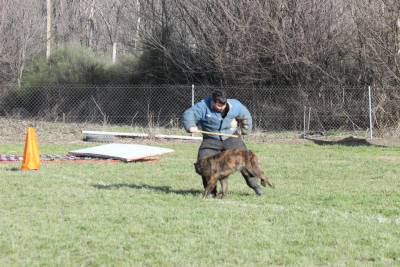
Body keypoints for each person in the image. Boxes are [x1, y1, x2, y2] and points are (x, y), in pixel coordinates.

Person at [182, 90, 264, 197]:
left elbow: (245, 115)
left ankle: (255, 185)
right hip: (211, 139)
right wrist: (190, 126)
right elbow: (188, 114)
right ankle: (211, 192)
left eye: (223, 105)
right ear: (212, 101)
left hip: (231, 137)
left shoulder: (235, 105)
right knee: (203, 163)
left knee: (245, 160)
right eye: (218, 105)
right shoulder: (202, 106)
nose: (221, 107)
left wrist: (245, 130)